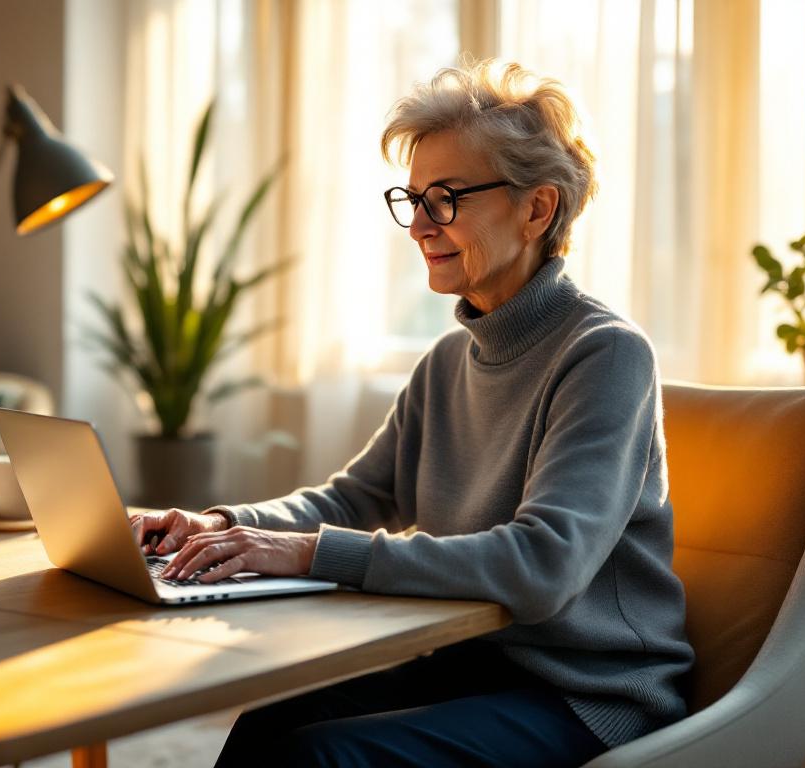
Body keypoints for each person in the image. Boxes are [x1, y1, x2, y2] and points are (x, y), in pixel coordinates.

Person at [130, 59, 694, 768]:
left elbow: (544, 566)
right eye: (414, 198)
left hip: (589, 693)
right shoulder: (447, 363)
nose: (419, 225)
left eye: (447, 198)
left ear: (537, 208)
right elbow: (356, 497)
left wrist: (308, 552)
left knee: (319, 758)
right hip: (474, 663)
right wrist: (220, 525)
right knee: (267, 727)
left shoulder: (605, 355)